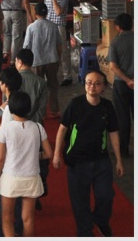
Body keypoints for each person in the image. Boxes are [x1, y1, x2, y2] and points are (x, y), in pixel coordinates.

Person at [53, 70, 124, 237]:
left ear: (104, 87)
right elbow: (62, 129)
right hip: (77, 162)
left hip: (101, 160)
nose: (92, 86)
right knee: (80, 202)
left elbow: (113, 132)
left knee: (106, 196)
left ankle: (101, 220)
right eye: (89, 82)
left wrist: (118, 160)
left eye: (97, 83)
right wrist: (56, 154)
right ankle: (85, 232)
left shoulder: (107, 106)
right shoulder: (75, 104)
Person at [0, 91, 53, 237]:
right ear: (29, 108)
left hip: (11, 178)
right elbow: (49, 153)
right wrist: (34, 155)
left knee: (7, 218)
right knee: (28, 219)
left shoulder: (6, 128)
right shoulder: (38, 127)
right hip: (32, 178)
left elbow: (0, 157)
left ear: (11, 109)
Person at [22, 1, 62, 118]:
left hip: (36, 61)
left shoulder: (31, 27)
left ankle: (38, 111)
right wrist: (58, 59)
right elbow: (59, 45)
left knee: (36, 87)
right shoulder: (53, 26)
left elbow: (26, 46)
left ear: (35, 13)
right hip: (52, 60)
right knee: (53, 86)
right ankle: (54, 109)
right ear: (47, 13)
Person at [107, 12, 134, 157]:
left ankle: (123, 150)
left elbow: (113, 67)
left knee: (122, 118)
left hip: (121, 85)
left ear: (117, 27)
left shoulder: (115, 42)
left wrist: (127, 80)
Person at [1, 0, 32, 65]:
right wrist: (29, 15)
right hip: (17, 12)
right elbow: (25, 2)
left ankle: (5, 53)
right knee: (17, 36)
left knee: (6, 33)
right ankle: (13, 59)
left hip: (5, 11)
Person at [43, 0, 71, 86]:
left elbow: (58, 12)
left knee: (63, 51)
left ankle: (67, 76)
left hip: (59, 27)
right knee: (48, 50)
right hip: (48, 26)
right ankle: (49, 76)